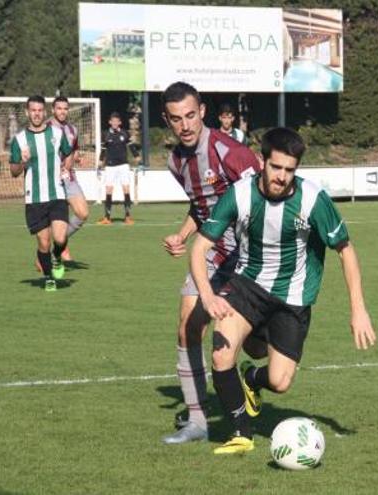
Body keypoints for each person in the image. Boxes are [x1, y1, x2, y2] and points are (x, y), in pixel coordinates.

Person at [189, 127, 377, 455]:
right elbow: (199, 247)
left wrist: (358, 309)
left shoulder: (313, 200)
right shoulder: (239, 194)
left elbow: (345, 250)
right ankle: (241, 434)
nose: (282, 176)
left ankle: (252, 378)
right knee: (221, 353)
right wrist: (207, 294)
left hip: (293, 300)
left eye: (290, 170)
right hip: (247, 287)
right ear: (263, 161)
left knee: (279, 382)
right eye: (276, 167)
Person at [159, 82, 262, 445]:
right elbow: (201, 206)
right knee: (188, 325)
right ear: (167, 121)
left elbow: (264, 202)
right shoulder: (175, 161)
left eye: (190, 115)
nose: (185, 125)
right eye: (176, 119)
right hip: (212, 254)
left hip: (251, 257)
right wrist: (184, 234)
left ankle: (251, 377)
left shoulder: (232, 153)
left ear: (202, 111)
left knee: (257, 347)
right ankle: (198, 421)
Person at [9, 95, 74, 292]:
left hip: (57, 194)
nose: (36, 114)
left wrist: (66, 168)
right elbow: (14, 172)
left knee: (60, 238)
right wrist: (22, 161)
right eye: (33, 110)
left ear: (44, 112)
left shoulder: (56, 133)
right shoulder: (19, 140)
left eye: (40, 110)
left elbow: (68, 152)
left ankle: (57, 259)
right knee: (43, 242)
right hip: (34, 198)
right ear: (27, 112)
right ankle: (48, 278)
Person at [48, 96, 87, 262]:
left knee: (82, 213)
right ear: (53, 110)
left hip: (69, 177)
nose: (62, 111)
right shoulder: (46, 128)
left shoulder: (72, 130)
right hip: (51, 180)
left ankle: (61, 242)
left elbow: (74, 150)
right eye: (59, 108)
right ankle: (57, 248)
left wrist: (78, 157)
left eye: (65, 108)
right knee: (56, 220)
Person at [97, 111, 139, 225]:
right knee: (109, 189)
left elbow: (131, 147)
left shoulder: (125, 133)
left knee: (126, 189)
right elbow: (103, 150)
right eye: (113, 121)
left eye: (117, 121)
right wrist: (101, 161)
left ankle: (128, 216)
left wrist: (136, 156)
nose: (115, 123)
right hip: (110, 166)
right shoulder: (105, 134)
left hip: (123, 165)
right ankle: (107, 217)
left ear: (119, 122)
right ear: (110, 122)